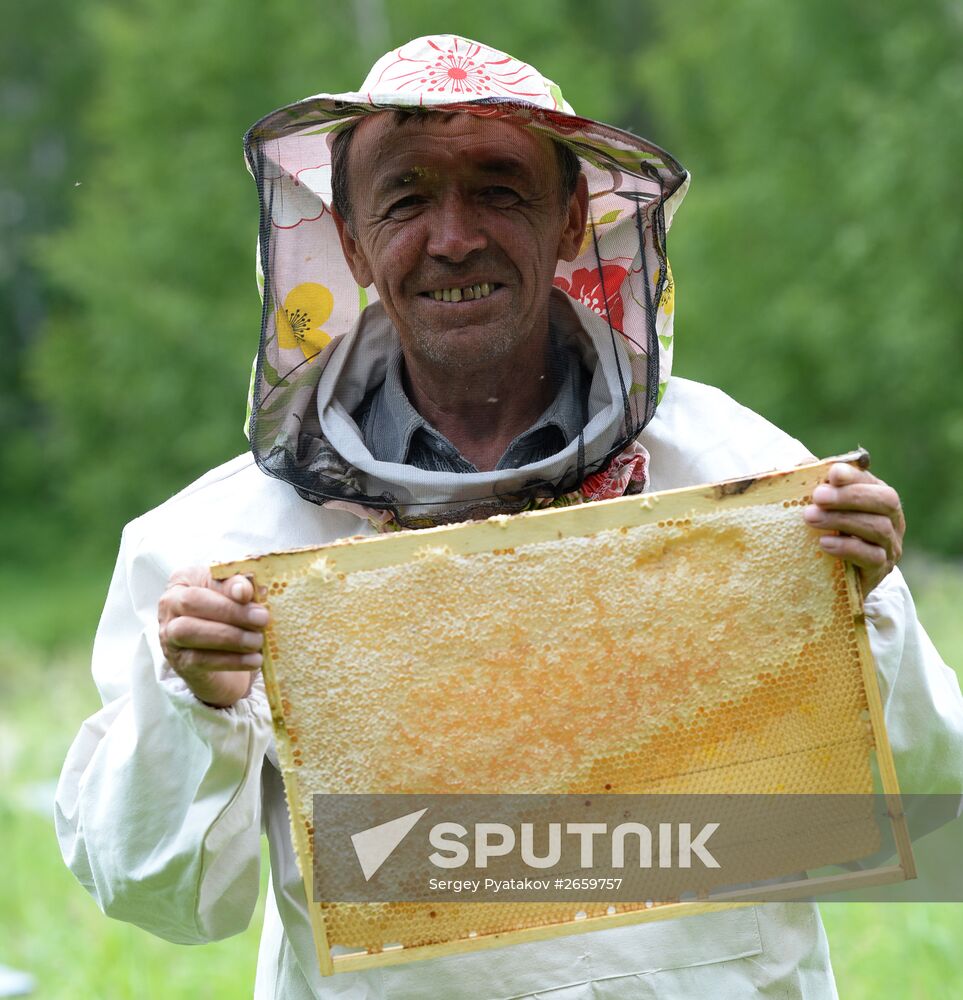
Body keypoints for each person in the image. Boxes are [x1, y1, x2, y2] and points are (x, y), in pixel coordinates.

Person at [55, 35, 963, 999]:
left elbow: (927, 799)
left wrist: (861, 606)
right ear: (352, 240)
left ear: (573, 217)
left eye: (499, 188)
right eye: (405, 197)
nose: (453, 238)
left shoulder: (743, 473)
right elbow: (161, 895)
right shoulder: (224, 543)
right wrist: (191, 702)